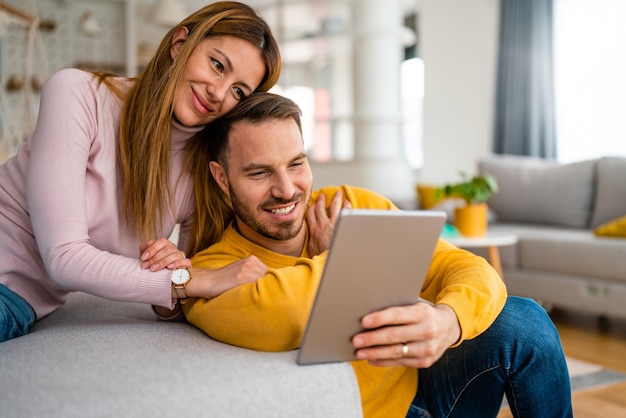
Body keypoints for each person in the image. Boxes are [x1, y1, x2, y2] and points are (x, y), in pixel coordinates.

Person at [181, 92, 573, 417]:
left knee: (524, 321)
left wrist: (447, 321)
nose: (287, 189)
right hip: (357, 410)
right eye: (259, 173)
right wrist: (337, 257)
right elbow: (290, 311)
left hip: (422, 388)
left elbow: (467, 267)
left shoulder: (349, 205)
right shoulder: (213, 271)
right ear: (222, 178)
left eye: (296, 164)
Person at [0, 1, 281, 342]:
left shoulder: (203, 173)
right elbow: (63, 257)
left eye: (239, 91)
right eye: (217, 65)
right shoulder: (78, 94)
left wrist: (173, 268)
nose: (219, 93)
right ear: (180, 44)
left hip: (10, 298)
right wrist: (190, 280)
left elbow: (177, 307)